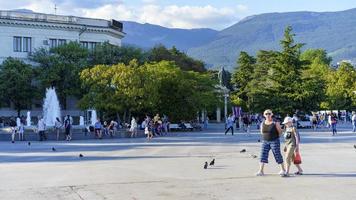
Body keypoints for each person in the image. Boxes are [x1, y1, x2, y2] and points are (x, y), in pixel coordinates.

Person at [256, 109, 287, 177]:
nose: (268, 115)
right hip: (265, 141)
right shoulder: (262, 123)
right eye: (266, 114)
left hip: (274, 141)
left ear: (271, 114)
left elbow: (280, 132)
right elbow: (262, 132)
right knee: (262, 155)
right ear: (264, 115)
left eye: (269, 113)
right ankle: (261, 171)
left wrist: (275, 137)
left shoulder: (275, 123)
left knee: (277, 154)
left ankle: (283, 170)